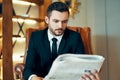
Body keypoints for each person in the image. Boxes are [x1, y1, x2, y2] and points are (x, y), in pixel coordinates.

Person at [23, 2, 101, 80]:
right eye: (56, 21)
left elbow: (82, 67)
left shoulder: (75, 37)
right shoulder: (36, 37)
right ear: (47, 20)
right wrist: (33, 78)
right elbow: (28, 69)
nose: (60, 26)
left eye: (64, 21)